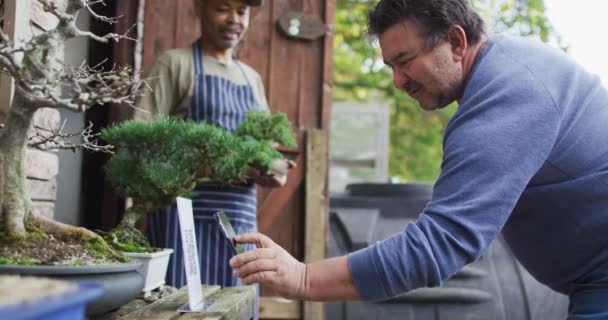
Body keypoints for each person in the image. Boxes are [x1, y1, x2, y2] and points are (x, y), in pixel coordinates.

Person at [229, 0, 608, 318]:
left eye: (405, 60)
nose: (397, 80)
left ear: (456, 42)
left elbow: (439, 245)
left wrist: (303, 279)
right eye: (390, 66)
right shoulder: (507, 71)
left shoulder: (505, 96)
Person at [133, 0, 282, 315]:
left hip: (239, 222)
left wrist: (273, 169)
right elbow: (140, 142)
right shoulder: (174, 65)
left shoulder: (251, 79)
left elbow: (268, 148)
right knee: (182, 308)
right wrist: (207, 164)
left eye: (242, 12)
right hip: (182, 219)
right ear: (198, 9)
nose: (234, 20)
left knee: (236, 308)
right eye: (223, 8)